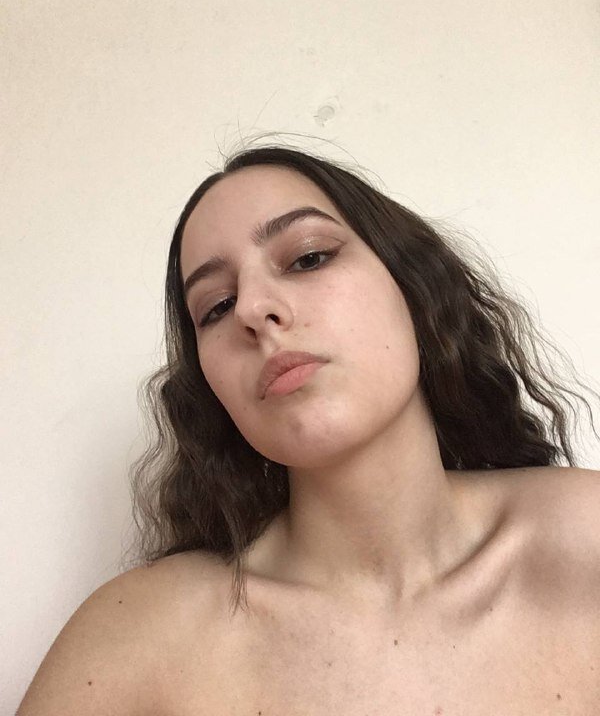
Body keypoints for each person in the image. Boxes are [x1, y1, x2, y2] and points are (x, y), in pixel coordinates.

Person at [18, 141, 600, 714]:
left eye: (309, 258)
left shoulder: (586, 539)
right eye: (216, 306)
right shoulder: (139, 639)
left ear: (413, 287)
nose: (252, 309)